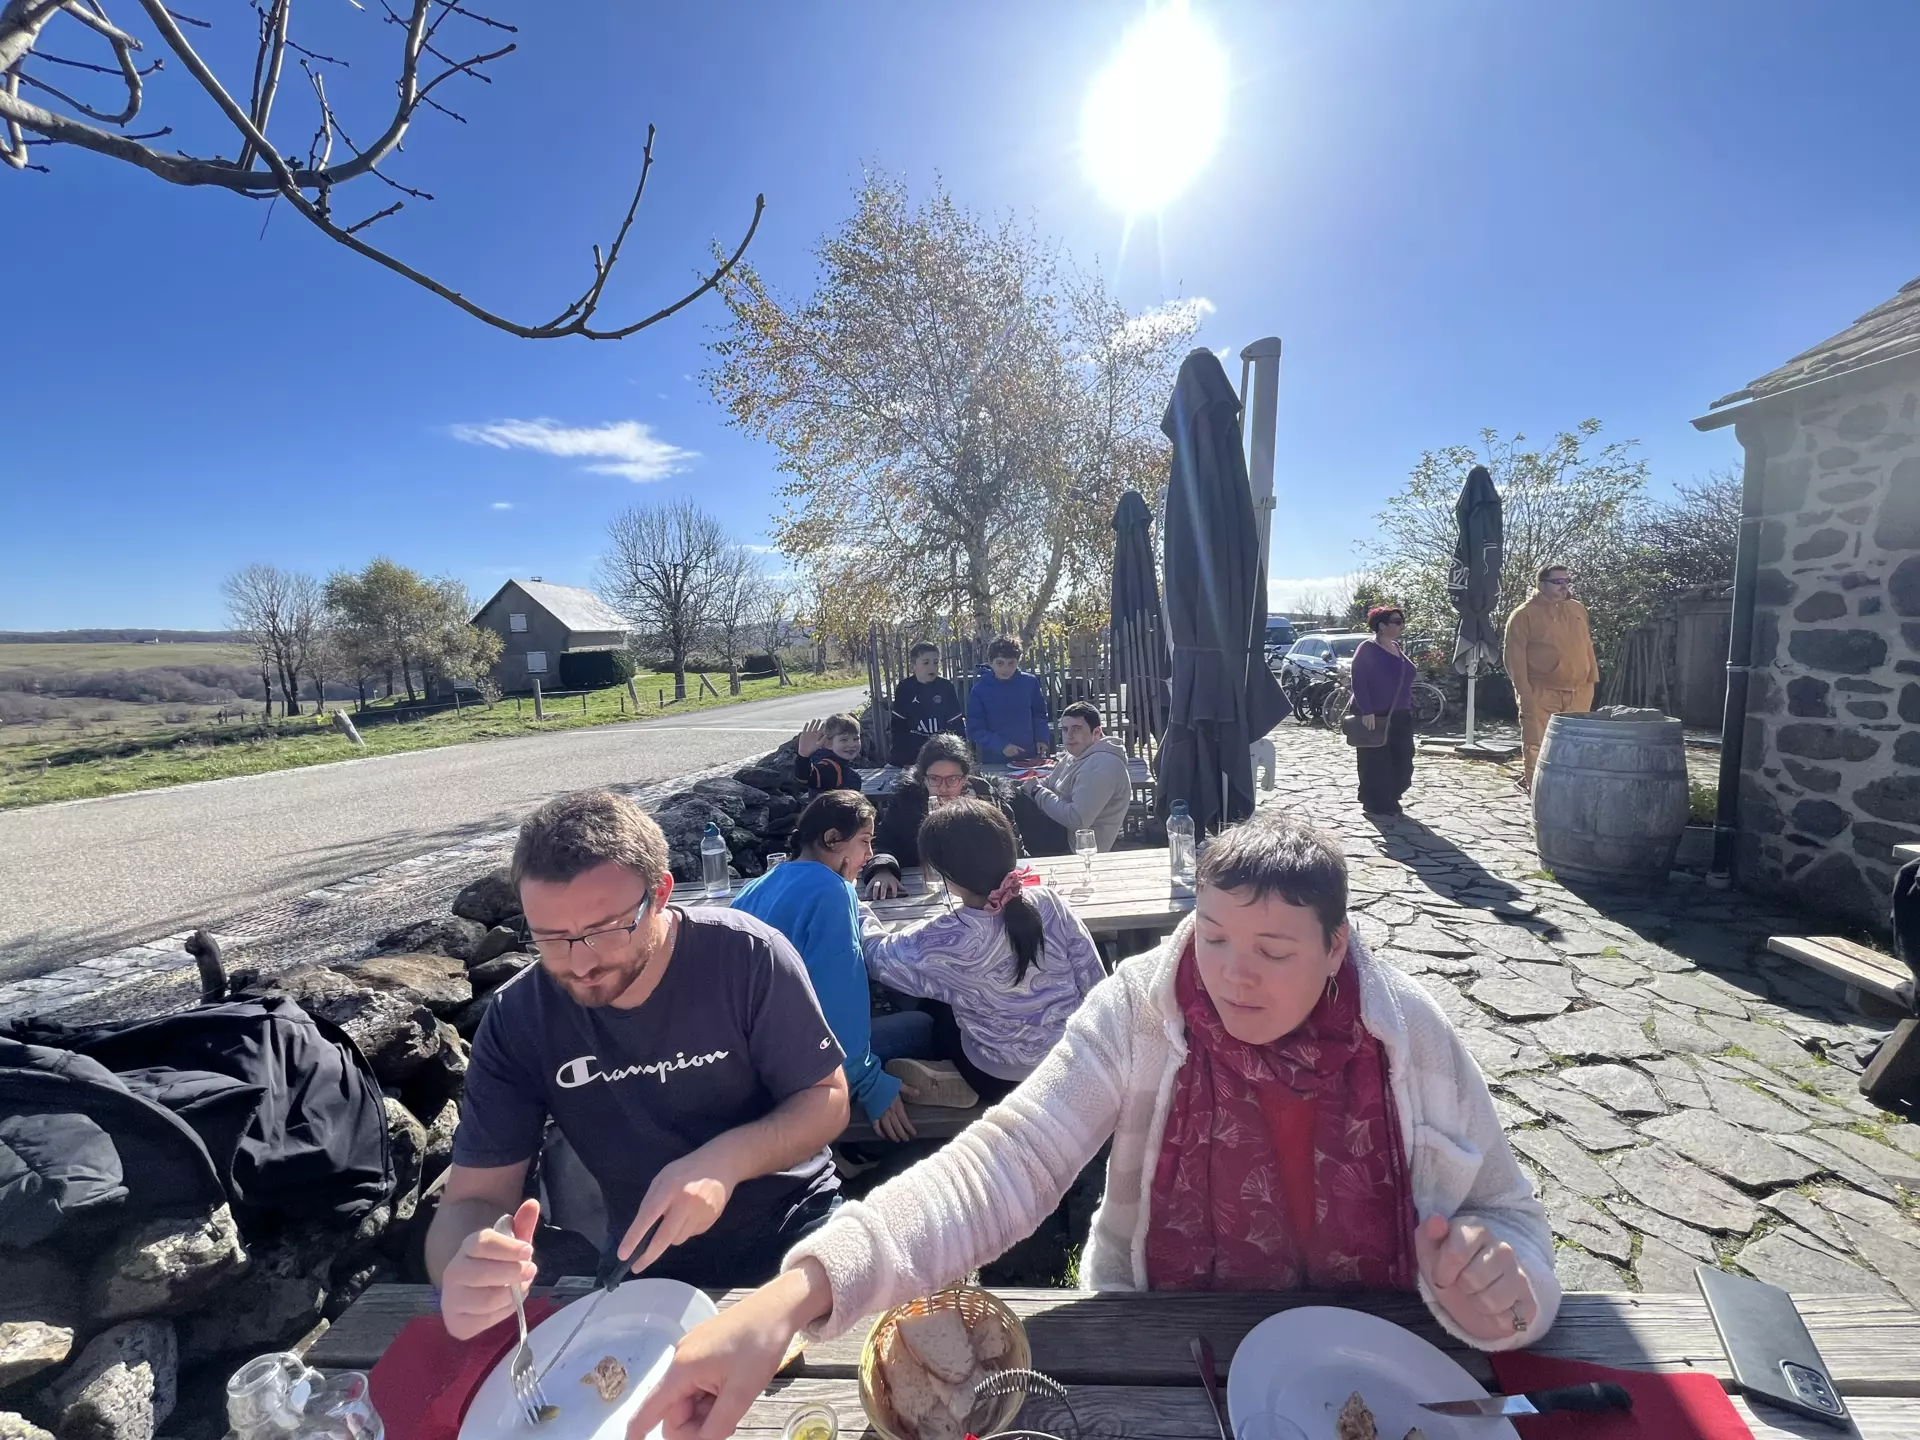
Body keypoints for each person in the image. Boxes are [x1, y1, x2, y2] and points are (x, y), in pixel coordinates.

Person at [633, 815, 1558, 1440]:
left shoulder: (1409, 1034)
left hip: (1389, 1367)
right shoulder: (1144, 1010)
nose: (1232, 975)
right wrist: (794, 1297)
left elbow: (1510, 1224)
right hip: (1172, 1358)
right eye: (1213, 936)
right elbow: (1005, 1161)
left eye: (1274, 950)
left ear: (1336, 947)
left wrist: (1503, 1294)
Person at [427, 791, 850, 1337]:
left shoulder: (747, 956)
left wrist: (726, 1159)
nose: (580, 962)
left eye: (607, 930)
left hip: (796, 1223)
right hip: (646, 1260)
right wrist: (463, 1269)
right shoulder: (519, 1017)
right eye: (551, 938)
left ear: (661, 894)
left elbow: (827, 1099)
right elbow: (474, 1199)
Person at [862, 799, 1106, 1107]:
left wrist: (856, 906)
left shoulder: (942, 937)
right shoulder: (1048, 901)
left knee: (937, 1010)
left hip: (998, 1079)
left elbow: (876, 958)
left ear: (946, 873)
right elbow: (1094, 979)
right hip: (1070, 1066)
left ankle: (954, 1075)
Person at [732, 791, 927, 1144]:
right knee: (923, 1023)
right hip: (800, 1070)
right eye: (864, 841)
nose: (869, 855)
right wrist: (868, 1080)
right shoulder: (832, 891)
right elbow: (839, 1000)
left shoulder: (755, 887)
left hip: (749, 1063)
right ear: (833, 839)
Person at [861, 734, 1023, 901]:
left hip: (983, 895)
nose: (943, 788)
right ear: (923, 778)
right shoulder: (908, 803)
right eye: (934, 779)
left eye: (952, 779)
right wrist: (883, 869)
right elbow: (881, 841)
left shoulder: (989, 801)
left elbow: (1013, 852)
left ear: (965, 778)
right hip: (921, 895)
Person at [1505, 564, 1599, 790]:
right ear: (1541, 585)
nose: (1564, 586)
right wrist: (1525, 693)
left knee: (1575, 743)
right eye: (1557, 582)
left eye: (1567, 581)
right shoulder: (1523, 615)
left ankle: (1569, 789)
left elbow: (1587, 646)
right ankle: (1537, 790)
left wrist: (1591, 680)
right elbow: (1514, 658)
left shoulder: (1577, 609)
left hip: (1579, 691)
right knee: (1537, 744)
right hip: (1541, 691)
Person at [1017, 701, 1132, 854]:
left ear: (1096, 732)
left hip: (1076, 848)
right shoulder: (1076, 754)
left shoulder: (1103, 764)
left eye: (1077, 728)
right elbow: (1048, 783)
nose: (1069, 735)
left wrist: (1036, 791)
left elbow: (1077, 820)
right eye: (1065, 729)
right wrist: (1024, 787)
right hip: (1055, 829)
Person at [1350, 606, 1418, 819]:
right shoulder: (1368, 648)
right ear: (1381, 625)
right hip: (1376, 714)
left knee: (1404, 759)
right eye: (1396, 622)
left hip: (1401, 713)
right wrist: (1367, 710)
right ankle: (1375, 802)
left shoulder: (1396, 646)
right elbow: (1358, 680)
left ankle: (1392, 796)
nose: (1401, 626)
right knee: (1375, 760)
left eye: (1402, 621)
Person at [965, 635, 1050, 761]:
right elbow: (975, 729)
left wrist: (1042, 738)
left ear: (1018, 661)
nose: (1006, 668)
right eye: (1000, 663)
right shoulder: (979, 690)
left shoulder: (1030, 683)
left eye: (1011, 663)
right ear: (990, 662)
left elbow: (1039, 714)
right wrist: (1001, 745)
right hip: (995, 759)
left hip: (1029, 757)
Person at [888, 642, 966, 767]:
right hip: (911, 755)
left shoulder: (946, 687)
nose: (932, 667)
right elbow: (898, 727)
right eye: (926, 663)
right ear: (913, 667)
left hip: (941, 753)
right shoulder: (904, 688)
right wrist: (903, 760)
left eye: (935, 662)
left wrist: (957, 755)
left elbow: (956, 726)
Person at [794, 713, 865, 793]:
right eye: (843, 740)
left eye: (855, 739)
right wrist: (803, 757)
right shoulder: (829, 768)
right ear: (828, 744)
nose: (851, 744)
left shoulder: (845, 769)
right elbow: (806, 778)